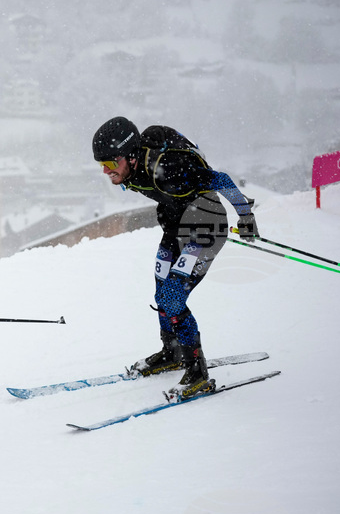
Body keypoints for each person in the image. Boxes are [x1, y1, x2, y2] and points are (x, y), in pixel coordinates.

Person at [91, 117, 259, 401]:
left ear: (130, 156)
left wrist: (246, 217)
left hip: (206, 226)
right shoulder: (132, 169)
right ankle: (172, 352)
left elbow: (221, 179)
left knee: (171, 298)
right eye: (101, 165)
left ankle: (197, 373)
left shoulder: (170, 168)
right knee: (161, 289)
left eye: (110, 163)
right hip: (177, 225)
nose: (106, 171)